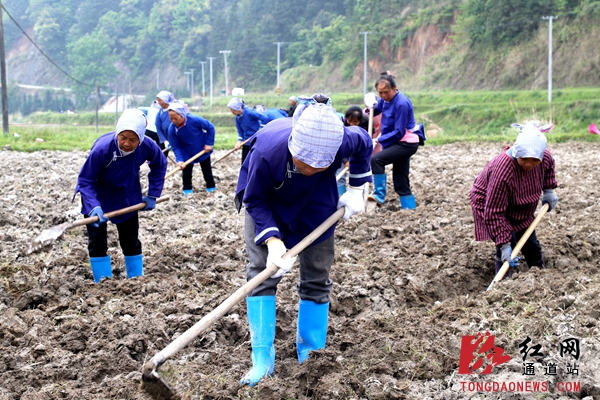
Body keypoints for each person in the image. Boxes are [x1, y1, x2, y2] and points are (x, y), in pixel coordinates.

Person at [234, 94, 373, 386]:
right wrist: (272, 242)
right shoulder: (268, 150)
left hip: (317, 204)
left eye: (318, 165)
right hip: (267, 203)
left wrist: (357, 188)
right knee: (261, 273)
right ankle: (262, 357)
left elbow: (364, 142)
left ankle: (310, 352)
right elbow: (255, 200)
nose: (309, 169)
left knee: (318, 274)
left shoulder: (343, 138)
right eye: (304, 163)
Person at [73, 109, 167, 283]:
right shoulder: (103, 149)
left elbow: (160, 164)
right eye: (122, 137)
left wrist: (153, 194)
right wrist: (94, 205)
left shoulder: (147, 145)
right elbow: (85, 180)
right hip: (97, 195)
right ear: (117, 133)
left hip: (126, 195)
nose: (126, 143)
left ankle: (136, 279)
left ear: (140, 136)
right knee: (97, 242)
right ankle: (103, 282)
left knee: (130, 239)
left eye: (133, 140)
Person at [469, 121, 558, 279]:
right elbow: (494, 212)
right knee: (509, 241)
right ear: (517, 152)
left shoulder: (544, 157)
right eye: (525, 159)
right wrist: (504, 245)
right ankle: (502, 281)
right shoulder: (503, 171)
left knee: (531, 243)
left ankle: (540, 274)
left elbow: (548, 167)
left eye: (534, 160)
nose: (529, 164)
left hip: (520, 202)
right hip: (491, 204)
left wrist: (548, 190)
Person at [366, 73, 424, 209]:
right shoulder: (384, 100)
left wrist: (378, 140)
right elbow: (376, 110)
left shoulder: (401, 103)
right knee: (401, 180)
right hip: (398, 142)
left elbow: (399, 132)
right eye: (380, 93)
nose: (383, 96)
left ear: (394, 88)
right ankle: (410, 209)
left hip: (406, 143)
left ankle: (379, 195)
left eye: (386, 92)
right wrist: (369, 106)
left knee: (376, 160)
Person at [167, 101, 216, 195]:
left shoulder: (194, 119)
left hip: (202, 149)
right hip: (186, 152)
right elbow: (175, 146)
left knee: (207, 172)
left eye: (175, 118)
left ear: (182, 115)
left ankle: (211, 189)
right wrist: (180, 160)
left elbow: (210, 127)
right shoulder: (172, 129)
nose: (173, 121)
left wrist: (208, 143)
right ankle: (187, 192)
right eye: (170, 118)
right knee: (186, 174)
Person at [336, 105, 370, 195]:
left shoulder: (366, 122)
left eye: (355, 122)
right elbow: (339, 146)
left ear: (360, 120)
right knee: (340, 173)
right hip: (343, 150)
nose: (352, 124)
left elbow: (371, 134)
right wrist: (346, 160)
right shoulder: (340, 125)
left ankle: (359, 195)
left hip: (360, 151)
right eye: (350, 121)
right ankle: (340, 196)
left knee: (359, 174)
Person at [227, 98, 272, 164]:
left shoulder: (250, 112)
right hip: (246, 142)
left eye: (232, 109)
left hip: (257, 140)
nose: (231, 111)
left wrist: (261, 130)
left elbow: (265, 118)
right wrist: (239, 142)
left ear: (237, 108)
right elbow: (240, 131)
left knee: (256, 161)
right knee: (245, 162)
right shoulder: (237, 117)